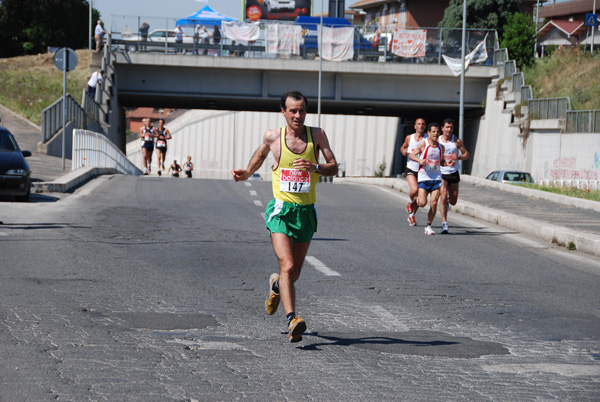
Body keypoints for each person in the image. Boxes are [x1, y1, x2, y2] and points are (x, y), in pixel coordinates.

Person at [231, 90, 338, 343]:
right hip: (281, 210)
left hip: (306, 211)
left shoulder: (318, 135)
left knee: (294, 272)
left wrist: (317, 167)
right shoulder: (273, 137)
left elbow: (334, 166)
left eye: (301, 110)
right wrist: (247, 173)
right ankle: (293, 320)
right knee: (287, 265)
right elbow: (259, 157)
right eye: (293, 111)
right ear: (283, 112)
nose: (298, 115)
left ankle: (276, 286)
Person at [409, 122, 450, 235]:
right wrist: (420, 160)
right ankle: (415, 201)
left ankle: (428, 226)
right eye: (433, 132)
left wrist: (446, 163)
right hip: (424, 177)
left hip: (436, 177)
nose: (436, 134)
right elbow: (411, 155)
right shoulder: (423, 144)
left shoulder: (441, 147)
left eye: (437, 132)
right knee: (422, 203)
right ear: (428, 133)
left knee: (433, 202)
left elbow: (440, 161)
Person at [438, 118, 470, 234]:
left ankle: (447, 202)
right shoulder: (437, 141)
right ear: (442, 128)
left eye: (451, 127)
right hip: (442, 172)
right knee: (442, 196)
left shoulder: (456, 141)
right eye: (447, 127)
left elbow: (467, 154)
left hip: (453, 172)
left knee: (453, 201)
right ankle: (444, 223)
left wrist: (458, 157)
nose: (449, 129)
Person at [400, 118, 427, 227]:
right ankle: (410, 201)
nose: (421, 126)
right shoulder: (409, 138)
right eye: (419, 124)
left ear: (425, 127)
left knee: (420, 199)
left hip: (423, 171)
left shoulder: (427, 139)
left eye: (423, 124)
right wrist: (403, 151)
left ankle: (412, 215)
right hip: (411, 168)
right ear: (415, 126)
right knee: (414, 190)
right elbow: (403, 147)